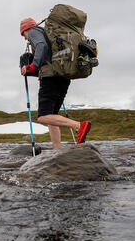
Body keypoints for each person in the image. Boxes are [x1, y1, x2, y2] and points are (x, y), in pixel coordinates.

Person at [19, 17, 91, 149]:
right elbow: (47, 59)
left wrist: (33, 66)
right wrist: (31, 70)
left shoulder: (34, 31)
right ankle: (57, 150)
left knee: (43, 116)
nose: (24, 38)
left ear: (26, 29)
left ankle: (79, 126)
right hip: (62, 76)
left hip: (51, 78)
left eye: (23, 34)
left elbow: (42, 46)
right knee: (52, 117)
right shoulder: (47, 34)